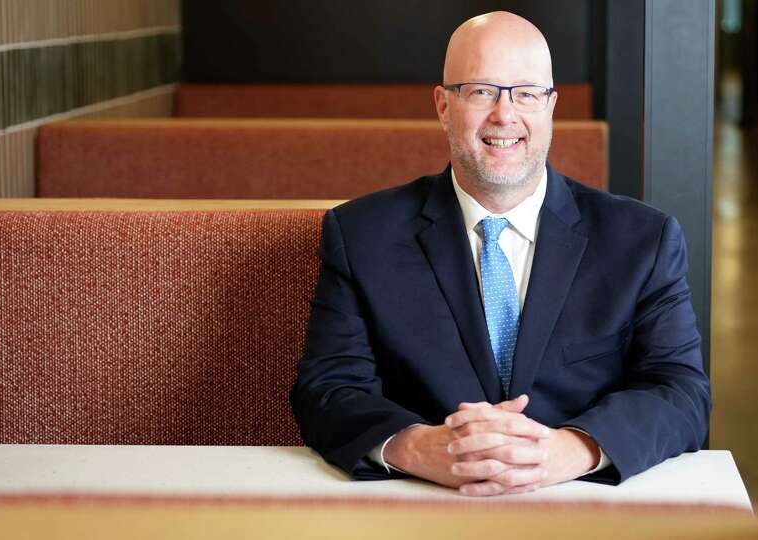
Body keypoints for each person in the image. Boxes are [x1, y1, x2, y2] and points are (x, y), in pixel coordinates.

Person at [290, 11, 711, 497]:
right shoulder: (362, 234)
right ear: (444, 105)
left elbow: (681, 392)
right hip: (420, 502)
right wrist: (418, 446)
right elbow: (327, 388)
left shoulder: (642, 240)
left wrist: (572, 449)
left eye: (527, 92)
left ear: (551, 105)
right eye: (482, 90)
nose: (504, 115)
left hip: (584, 502)